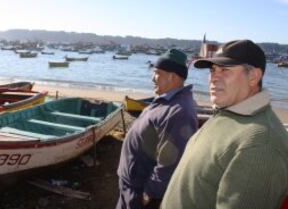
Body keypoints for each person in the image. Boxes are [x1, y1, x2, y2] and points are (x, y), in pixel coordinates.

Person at [161, 40, 288, 209]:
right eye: (212, 70)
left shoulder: (261, 143)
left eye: (225, 70)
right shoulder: (228, 113)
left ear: (253, 77)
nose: (214, 78)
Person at [116, 49, 198, 209]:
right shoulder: (167, 99)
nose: (152, 78)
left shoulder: (179, 112)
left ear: (173, 76)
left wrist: (149, 193)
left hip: (140, 192)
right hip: (131, 184)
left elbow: (170, 163)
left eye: (157, 73)